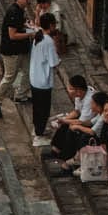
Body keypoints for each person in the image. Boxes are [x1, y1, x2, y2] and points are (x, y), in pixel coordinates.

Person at [0, 0, 34, 116]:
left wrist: (28, 26)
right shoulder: (13, 12)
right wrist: (30, 33)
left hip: (21, 49)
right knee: (10, 77)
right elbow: (13, 35)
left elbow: (21, 26)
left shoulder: (20, 10)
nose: (29, 0)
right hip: (12, 51)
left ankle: (21, 94)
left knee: (28, 70)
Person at [29, 13, 61, 146]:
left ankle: (37, 129)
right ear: (51, 25)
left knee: (37, 107)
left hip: (34, 77)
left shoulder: (38, 36)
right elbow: (54, 63)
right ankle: (39, 135)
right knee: (43, 109)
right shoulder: (48, 41)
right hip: (43, 81)